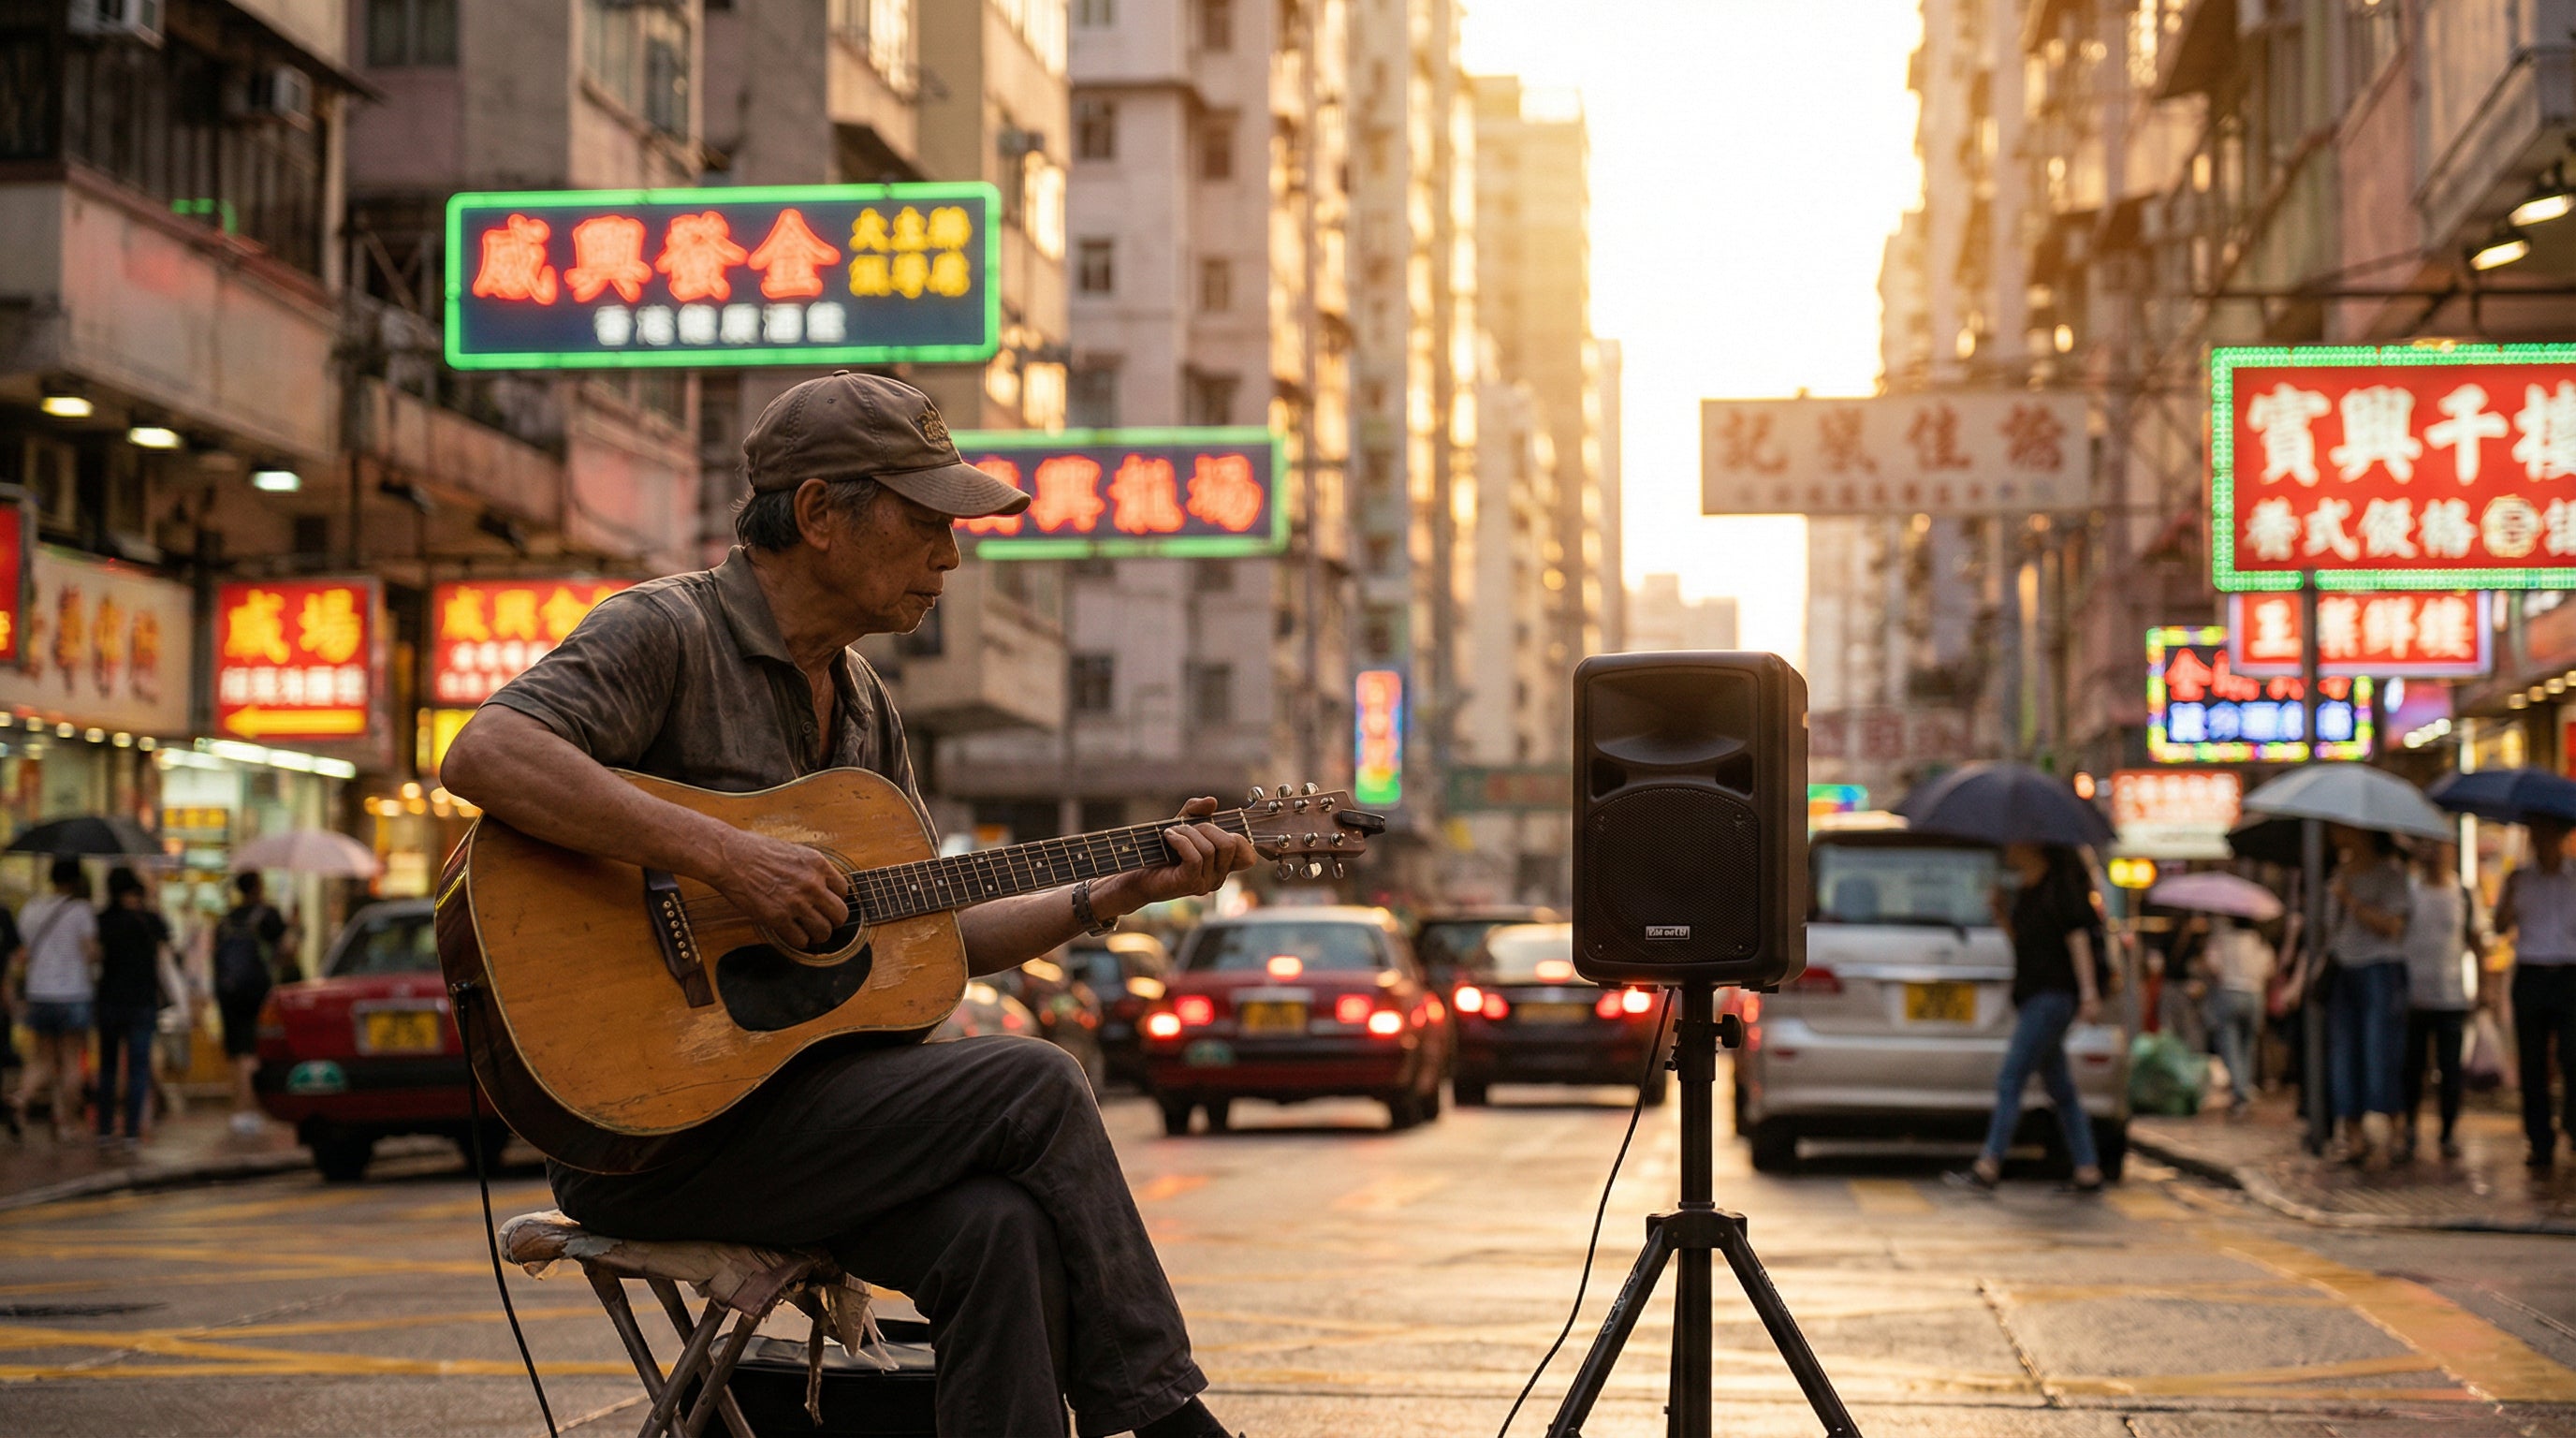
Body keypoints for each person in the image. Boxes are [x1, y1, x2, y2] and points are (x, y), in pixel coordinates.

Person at [441, 372, 1258, 1438]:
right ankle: (1167, 1423)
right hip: (648, 1138)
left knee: (999, 1228)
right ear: (821, 514)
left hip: (801, 1123)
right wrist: (729, 859)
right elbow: (489, 750)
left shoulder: (866, 706)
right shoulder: (664, 633)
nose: (951, 559)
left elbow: (927, 935)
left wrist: (1109, 894)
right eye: (927, 525)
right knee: (1039, 1080)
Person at [1949, 843, 2105, 1193]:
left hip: (2053, 998)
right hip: (2034, 996)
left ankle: (1989, 1164)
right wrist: (2002, 915)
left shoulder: (2059, 890)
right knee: (2061, 1089)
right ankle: (2087, 1168)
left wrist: (2089, 993)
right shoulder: (2027, 891)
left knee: (2011, 1078)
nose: (2010, 849)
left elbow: (2078, 941)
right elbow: (2027, 945)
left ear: (2036, 847)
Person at [2321, 825, 2412, 1167]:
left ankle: (2397, 1131)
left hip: (2380, 967)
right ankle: (2354, 1136)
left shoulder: (2391, 874)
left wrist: (2351, 901)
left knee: (2381, 1049)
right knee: (2344, 1052)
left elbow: (2393, 926)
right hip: (2345, 968)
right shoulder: (2338, 875)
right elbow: (2329, 931)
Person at [2495, 814, 2576, 1171]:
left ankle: (2573, 1128)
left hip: (2569, 972)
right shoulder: (2519, 879)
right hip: (2530, 972)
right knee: (2532, 1061)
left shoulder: (2574, 878)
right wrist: (2508, 895)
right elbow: (2499, 926)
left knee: (2573, 1056)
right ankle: (2538, 1139)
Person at [2396, 840, 2478, 1165]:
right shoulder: (2409, 891)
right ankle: (2410, 1128)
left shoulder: (2463, 894)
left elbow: (2475, 940)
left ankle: (2447, 1133)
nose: (2434, 853)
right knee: (2412, 1069)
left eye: (2440, 847)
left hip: (2452, 995)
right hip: (2414, 994)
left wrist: (2483, 990)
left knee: (2450, 1070)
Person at [9, 858, 100, 1142]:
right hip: (73, 993)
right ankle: (66, 1123)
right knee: (72, 1060)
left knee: (44, 1060)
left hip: (39, 993)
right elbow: (90, 952)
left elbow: (22, 952)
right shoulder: (81, 910)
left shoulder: (33, 908)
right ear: (76, 880)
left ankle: (21, 1099)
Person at [93, 867, 173, 1150]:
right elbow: (165, 951)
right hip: (142, 1000)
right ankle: (130, 1132)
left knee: (108, 1067)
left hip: (110, 1000)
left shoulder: (103, 920)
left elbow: (94, 956)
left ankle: (103, 1129)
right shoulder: (150, 920)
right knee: (138, 1068)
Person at [212, 873, 289, 1137]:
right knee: (252, 1052)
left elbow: (216, 956)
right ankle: (250, 1110)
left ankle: (238, 1109)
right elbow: (286, 952)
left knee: (236, 1052)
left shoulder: (227, 920)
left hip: (228, 993)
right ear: (258, 886)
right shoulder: (268, 915)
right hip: (258, 991)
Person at [2202, 914, 2275, 1116]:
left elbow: (2212, 965)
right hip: (2254, 995)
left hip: (2230, 992)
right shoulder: (2259, 942)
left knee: (2230, 1044)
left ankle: (2240, 1090)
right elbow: (2269, 967)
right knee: (2248, 1045)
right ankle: (2245, 1086)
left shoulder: (2223, 939)